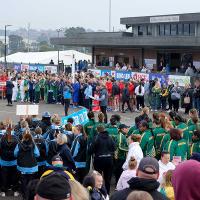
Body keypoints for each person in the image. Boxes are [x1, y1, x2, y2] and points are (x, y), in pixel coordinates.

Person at [89, 125, 116, 194]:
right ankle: (107, 193)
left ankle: (99, 192)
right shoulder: (110, 138)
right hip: (109, 159)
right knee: (108, 179)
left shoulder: (96, 138)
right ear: (104, 129)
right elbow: (114, 148)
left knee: (97, 177)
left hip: (99, 160)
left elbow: (90, 150)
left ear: (97, 131)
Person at [14, 131, 40, 199]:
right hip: (32, 167)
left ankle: (25, 197)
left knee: (23, 183)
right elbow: (37, 154)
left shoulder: (19, 145)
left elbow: (15, 154)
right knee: (31, 183)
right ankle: (31, 197)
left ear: (23, 137)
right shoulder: (33, 145)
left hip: (22, 167)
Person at [0, 123, 19, 197]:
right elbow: (18, 150)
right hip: (14, 161)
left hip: (4, 161)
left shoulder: (2, 138)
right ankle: (15, 190)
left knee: (4, 177)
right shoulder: (16, 138)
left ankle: (3, 191)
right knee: (14, 176)